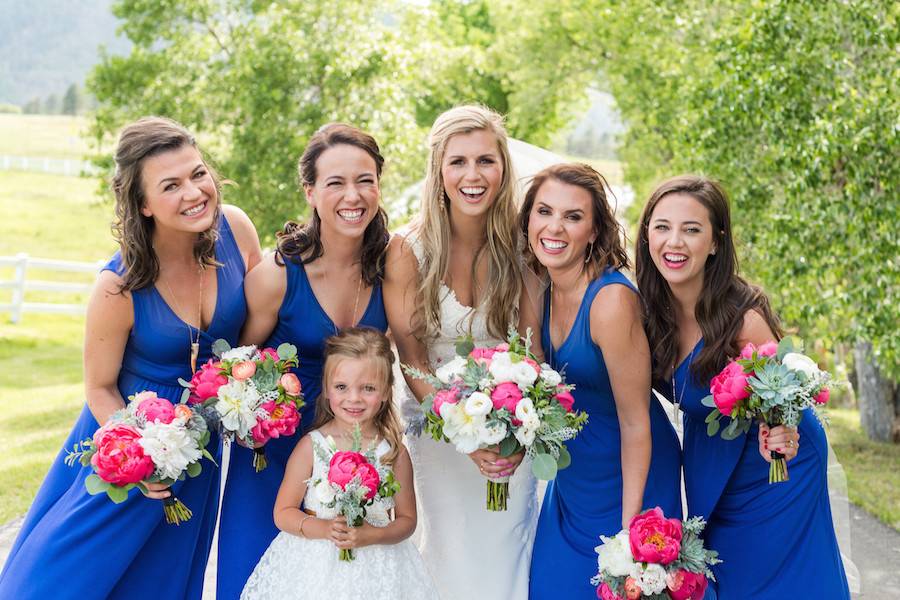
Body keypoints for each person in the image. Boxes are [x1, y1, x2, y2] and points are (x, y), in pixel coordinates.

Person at [0, 116, 262, 598]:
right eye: (171, 185)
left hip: (199, 446)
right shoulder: (117, 286)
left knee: (162, 577)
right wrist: (142, 451)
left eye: (197, 174)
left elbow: (253, 336)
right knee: (66, 577)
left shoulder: (237, 230)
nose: (194, 192)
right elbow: (98, 387)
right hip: (128, 443)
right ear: (142, 204)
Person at [636, 175, 850, 599]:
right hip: (712, 464)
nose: (673, 242)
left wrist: (783, 432)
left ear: (715, 242)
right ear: (646, 237)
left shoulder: (742, 319)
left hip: (776, 467)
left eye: (691, 229)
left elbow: (785, 391)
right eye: (662, 227)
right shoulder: (645, 311)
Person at [217, 123, 389, 598]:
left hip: (351, 454)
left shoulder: (390, 267)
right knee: (253, 577)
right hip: (271, 454)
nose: (353, 195)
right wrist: (251, 419)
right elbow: (235, 369)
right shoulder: (276, 276)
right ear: (310, 191)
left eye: (365, 179)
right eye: (335, 182)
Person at [384, 105, 537, 599]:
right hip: (438, 430)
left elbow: (531, 350)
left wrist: (506, 428)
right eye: (458, 162)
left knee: (511, 548)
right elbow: (411, 359)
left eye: (486, 161)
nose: (473, 176)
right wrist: (466, 431)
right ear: (438, 170)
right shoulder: (408, 249)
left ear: (503, 167)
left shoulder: (524, 245)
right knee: (449, 552)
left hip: (515, 430)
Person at [522, 163, 682, 599]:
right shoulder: (536, 285)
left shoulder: (610, 302)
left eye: (573, 217)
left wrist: (631, 534)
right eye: (544, 212)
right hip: (573, 479)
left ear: (594, 232)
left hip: (631, 472)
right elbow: (537, 388)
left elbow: (637, 424)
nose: (555, 227)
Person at [239, 327, 435, 599]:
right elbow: (283, 512)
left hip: (379, 567)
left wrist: (373, 535)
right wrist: (324, 529)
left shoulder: (393, 453)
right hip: (314, 565)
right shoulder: (311, 446)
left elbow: (407, 520)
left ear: (387, 392)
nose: (354, 398)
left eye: (368, 388)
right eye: (342, 387)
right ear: (327, 390)